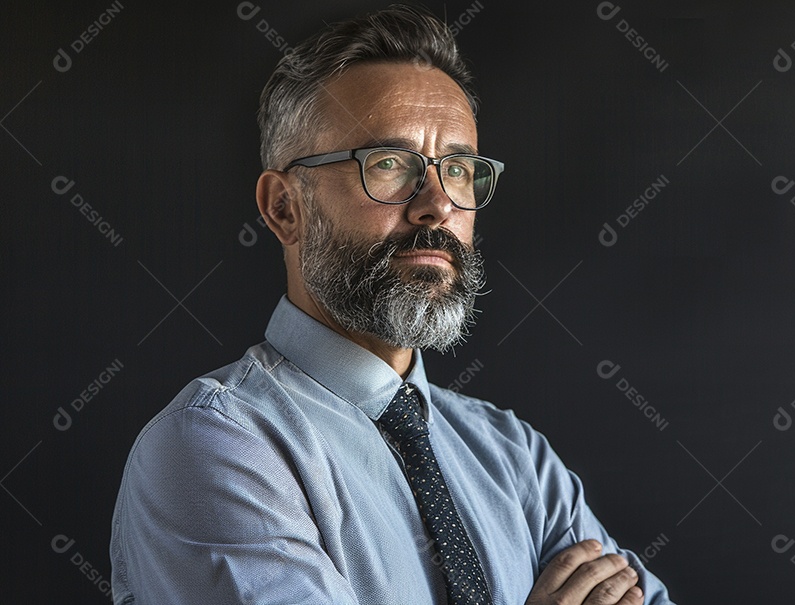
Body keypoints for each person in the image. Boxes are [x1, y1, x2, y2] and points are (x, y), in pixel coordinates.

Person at [110, 5, 675, 604]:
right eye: (387, 164)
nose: (437, 205)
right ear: (284, 208)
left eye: (457, 169)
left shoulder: (516, 458)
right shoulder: (214, 448)